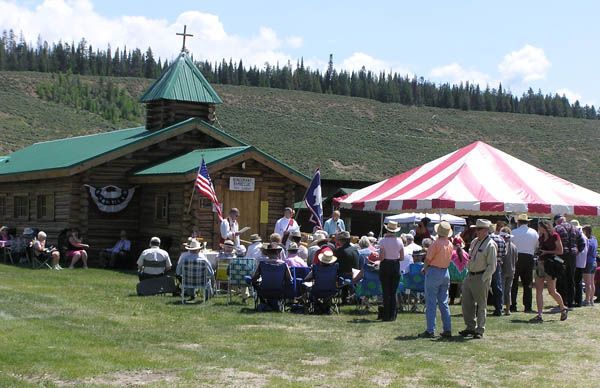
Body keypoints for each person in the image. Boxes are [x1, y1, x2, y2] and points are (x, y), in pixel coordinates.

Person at [459, 219, 497, 339]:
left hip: (481, 276)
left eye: (479, 229)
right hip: (470, 275)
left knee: (481, 305)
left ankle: (480, 329)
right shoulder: (475, 241)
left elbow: (492, 265)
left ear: (486, 230)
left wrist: (484, 278)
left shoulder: (490, 244)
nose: (477, 231)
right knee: (466, 303)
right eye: (476, 229)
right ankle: (470, 327)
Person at [419, 221, 454, 338]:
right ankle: (447, 329)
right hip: (445, 272)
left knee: (431, 302)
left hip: (434, 272)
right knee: (444, 302)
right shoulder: (450, 244)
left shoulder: (435, 244)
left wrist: (424, 268)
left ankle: (430, 330)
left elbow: (428, 259)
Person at [530, 219, 568, 323]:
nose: (538, 228)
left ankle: (563, 308)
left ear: (545, 226)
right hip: (541, 264)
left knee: (552, 291)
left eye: (540, 226)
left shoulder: (554, 236)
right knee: (539, 290)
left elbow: (560, 251)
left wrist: (546, 252)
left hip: (551, 265)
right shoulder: (541, 237)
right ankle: (539, 314)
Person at [554, 215, 586, 308]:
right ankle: (570, 300)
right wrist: (577, 251)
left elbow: (553, 241)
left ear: (557, 221)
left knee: (561, 278)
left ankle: (563, 301)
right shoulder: (575, 229)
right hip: (572, 256)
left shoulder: (557, 228)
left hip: (561, 255)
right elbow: (582, 243)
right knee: (571, 278)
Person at [510, 213, 539, 313]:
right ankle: (528, 306)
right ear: (528, 222)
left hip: (516, 257)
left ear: (518, 222)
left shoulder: (513, 232)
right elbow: (536, 246)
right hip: (529, 257)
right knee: (528, 283)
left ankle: (512, 305)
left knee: (514, 283)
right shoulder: (534, 232)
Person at [378, 221, 404, 321]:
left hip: (385, 265)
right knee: (393, 292)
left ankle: (386, 315)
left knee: (385, 291)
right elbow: (401, 257)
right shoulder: (400, 241)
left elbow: (382, 257)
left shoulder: (382, 241)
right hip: (395, 265)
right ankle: (392, 315)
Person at [489, 223, 506, 316]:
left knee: (483, 286)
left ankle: (480, 307)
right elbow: (504, 253)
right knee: (497, 287)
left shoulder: (487, 239)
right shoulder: (501, 239)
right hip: (497, 264)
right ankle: (499, 308)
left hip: (487, 265)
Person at [500, 227, 518, 316]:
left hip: (503, 270)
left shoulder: (503, 245)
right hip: (512, 270)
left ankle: (500, 308)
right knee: (508, 291)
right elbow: (516, 259)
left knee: (502, 290)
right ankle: (507, 309)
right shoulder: (514, 246)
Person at [448, 236, 469, 305]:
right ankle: (462, 299)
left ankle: (452, 300)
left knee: (453, 285)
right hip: (463, 276)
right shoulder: (465, 253)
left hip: (452, 276)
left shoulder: (451, 253)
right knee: (463, 287)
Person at [572, 220, 587, 307]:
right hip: (582, 262)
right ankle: (578, 301)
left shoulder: (579, 236)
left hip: (578, 262)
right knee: (578, 282)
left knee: (577, 282)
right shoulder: (584, 236)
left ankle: (578, 301)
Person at [582, 225, 597, 306]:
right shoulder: (594, 239)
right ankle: (591, 300)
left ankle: (587, 300)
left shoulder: (587, 241)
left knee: (588, 283)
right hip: (594, 262)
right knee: (591, 282)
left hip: (588, 263)